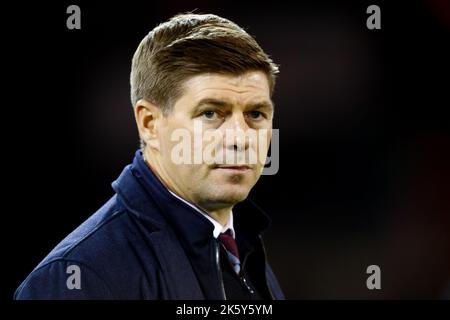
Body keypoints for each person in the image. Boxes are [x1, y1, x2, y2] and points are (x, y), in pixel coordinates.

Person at [15, 13, 284, 300]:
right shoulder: (78, 278)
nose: (240, 138)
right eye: (210, 113)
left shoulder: (241, 247)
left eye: (255, 114)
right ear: (149, 124)